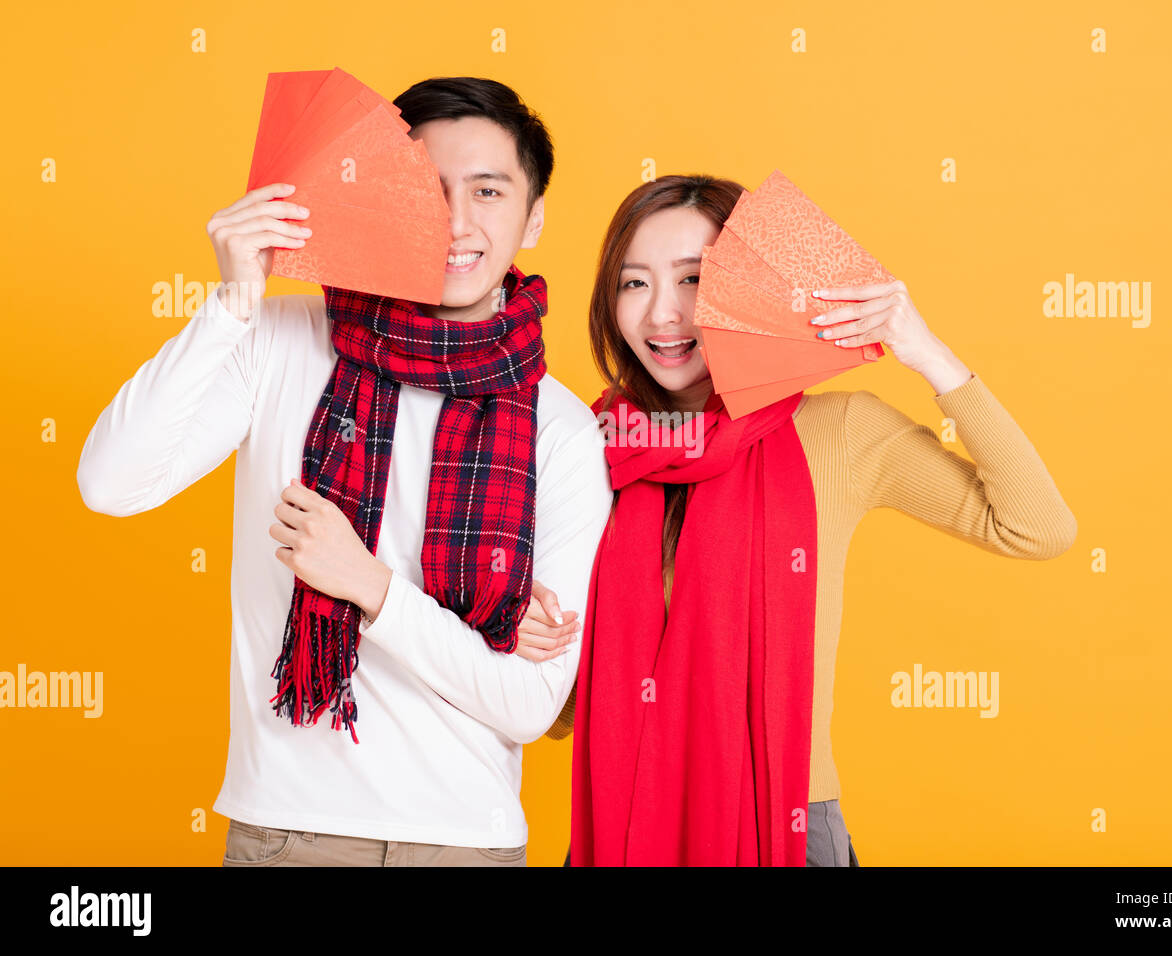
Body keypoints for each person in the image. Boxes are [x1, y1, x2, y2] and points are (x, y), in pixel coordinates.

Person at [76, 77, 612, 866]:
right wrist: (231, 302)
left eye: (487, 191)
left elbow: (532, 704)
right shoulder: (282, 340)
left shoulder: (561, 429)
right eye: (426, 190)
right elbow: (110, 483)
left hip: (469, 842)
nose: (456, 222)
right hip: (289, 829)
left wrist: (372, 587)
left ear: (533, 217)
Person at [518, 174, 1078, 866]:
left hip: (786, 821)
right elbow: (568, 715)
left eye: (693, 279)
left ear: (746, 290)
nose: (663, 313)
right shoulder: (588, 444)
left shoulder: (840, 432)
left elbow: (1037, 525)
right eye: (633, 284)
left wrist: (925, 351)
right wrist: (533, 636)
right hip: (628, 818)